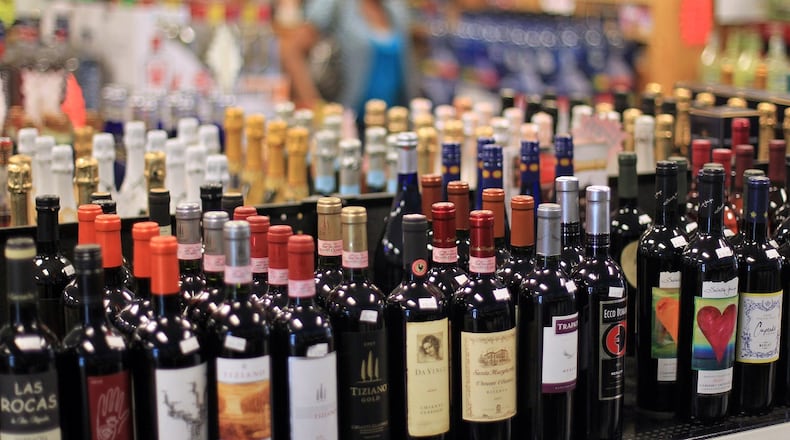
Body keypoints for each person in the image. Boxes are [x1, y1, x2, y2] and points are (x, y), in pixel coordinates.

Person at [279, 0, 416, 117]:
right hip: (347, 122)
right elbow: (291, 50)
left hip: (392, 120)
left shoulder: (394, 8)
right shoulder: (336, 4)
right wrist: (315, 105)